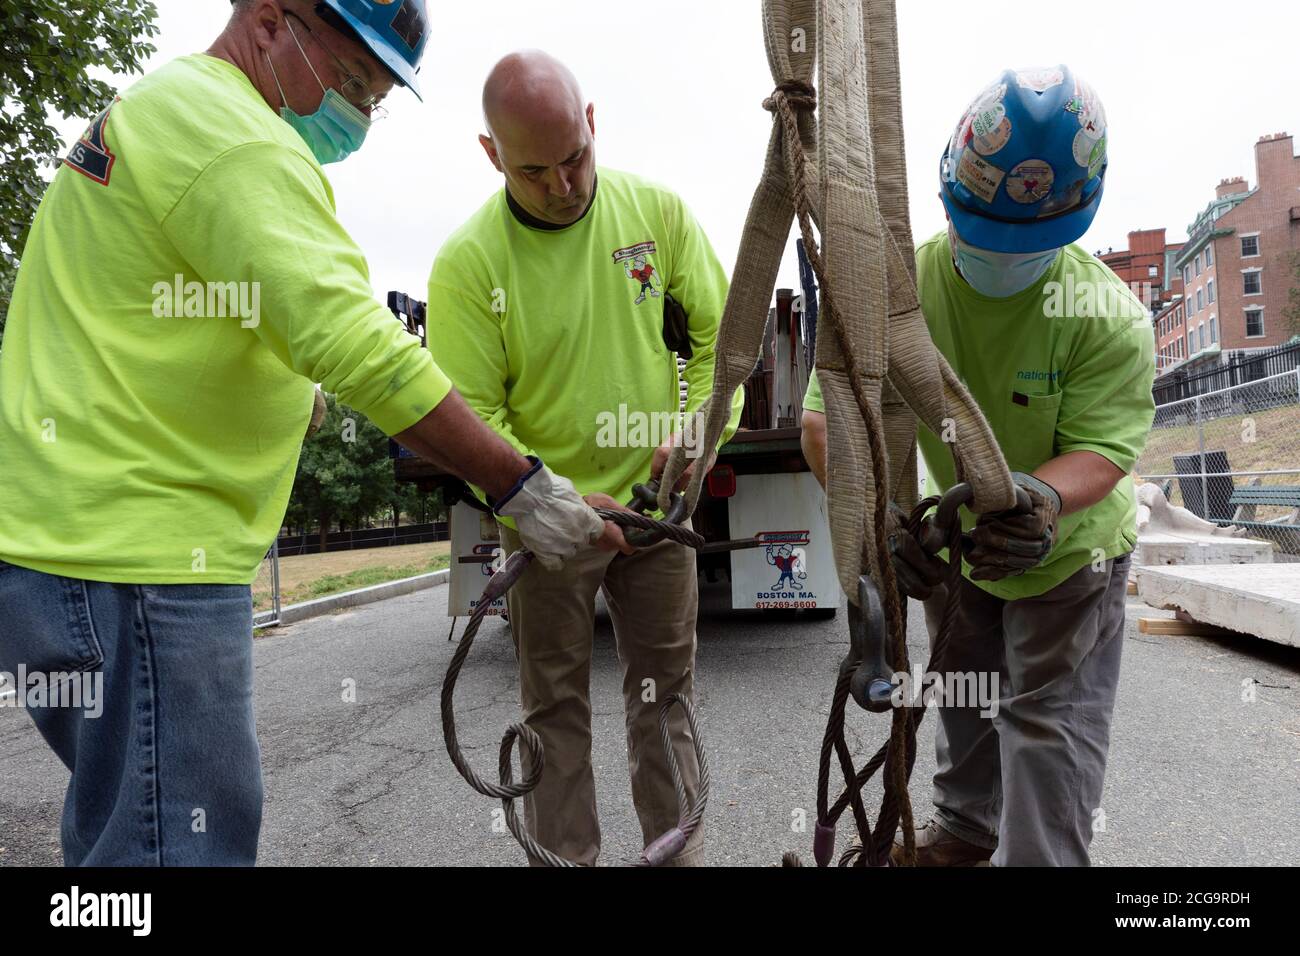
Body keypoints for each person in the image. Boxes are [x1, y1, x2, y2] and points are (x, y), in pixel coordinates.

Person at [0, 0, 609, 867]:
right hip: (135, 559)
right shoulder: (239, 137)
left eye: (377, 95)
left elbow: (145, 310)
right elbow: (359, 342)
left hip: (66, 558)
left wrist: (277, 382)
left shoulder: (160, 110)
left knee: (123, 837)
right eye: (354, 80)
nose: (361, 111)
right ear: (273, 20)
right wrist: (524, 489)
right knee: (178, 846)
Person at [801, 66, 1155, 866]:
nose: (996, 257)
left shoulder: (1106, 318)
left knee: (1043, 722)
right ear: (949, 199)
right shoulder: (903, 290)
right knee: (964, 696)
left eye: (1022, 246)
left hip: (1067, 552)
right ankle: (962, 838)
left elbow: (1103, 450)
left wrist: (1039, 499)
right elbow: (828, 425)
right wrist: (883, 525)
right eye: (980, 232)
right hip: (963, 548)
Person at [425, 50, 744, 866]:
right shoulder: (468, 267)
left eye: (576, 158)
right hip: (544, 528)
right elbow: (474, 420)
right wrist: (558, 503)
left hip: (655, 511)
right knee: (553, 709)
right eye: (535, 171)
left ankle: (674, 856)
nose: (564, 186)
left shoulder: (657, 215)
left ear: (593, 122)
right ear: (492, 155)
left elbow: (722, 344)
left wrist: (700, 432)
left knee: (663, 699)